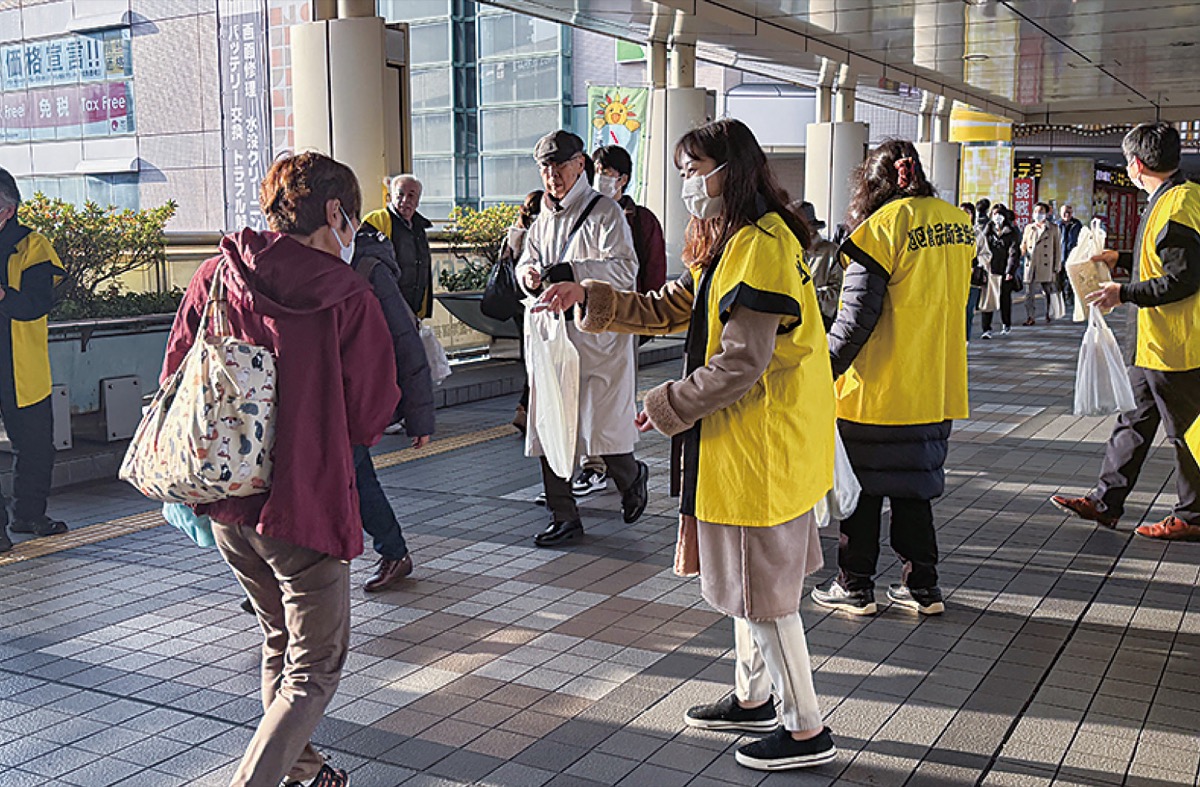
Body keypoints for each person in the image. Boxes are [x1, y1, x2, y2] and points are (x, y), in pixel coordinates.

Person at [538, 117, 837, 772]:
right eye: (681, 171)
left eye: (694, 170)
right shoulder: (738, 241)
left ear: (732, 170)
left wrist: (665, 404)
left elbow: (741, 362)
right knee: (749, 587)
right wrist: (588, 295)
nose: (686, 184)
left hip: (760, 446)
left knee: (766, 597)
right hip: (752, 444)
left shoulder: (758, 246)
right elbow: (674, 305)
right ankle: (754, 697)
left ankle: (805, 728)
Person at [161, 152, 399, 787]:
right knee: (314, 670)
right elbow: (371, 410)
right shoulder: (345, 294)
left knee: (279, 642)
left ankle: (304, 772)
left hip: (227, 503)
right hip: (305, 503)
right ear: (334, 212)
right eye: (353, 220)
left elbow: (175, 372)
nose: (354, 233)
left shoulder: (216, 274)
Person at [812, 141, 971, 617]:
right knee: (913, 491)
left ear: (871, 183)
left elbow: (854, 320)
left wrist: (820, 371)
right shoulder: (958, 224)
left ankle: (854, 585)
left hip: (877, 389)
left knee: (862, 494)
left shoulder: (878, 230)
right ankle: (922, 587)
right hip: (935, 384)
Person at [1052, 122, 1200, 542]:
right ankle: (1106, 502)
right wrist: (1124, 258)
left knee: (1187, 433)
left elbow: (1184, 278)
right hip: (1154, 344)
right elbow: (1168, 257)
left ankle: (1193, 515)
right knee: (1132, 422)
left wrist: (1124, 292)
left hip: (1175, 345)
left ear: (1136, 164)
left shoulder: (1175, 205)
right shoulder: (1179, 197)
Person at [517, 130, 648, 547]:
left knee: (602, 427)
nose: (552, 175)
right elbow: (527, 260)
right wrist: (528, 275)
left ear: (579, 165)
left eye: (560, 165)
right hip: (552, 336)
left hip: (597, 340)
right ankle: (564, 515)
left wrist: (574, 273)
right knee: (550, 425)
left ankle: (631, 477)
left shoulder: (605, 212)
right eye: (545, 167)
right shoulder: (541, 217)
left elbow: (625, 271)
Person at [570, 145, 668, 497]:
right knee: (585, 394)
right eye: (596, 171)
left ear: (623, 178)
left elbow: (652, 271)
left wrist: (645, 319)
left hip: (624, 319)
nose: (601, 177)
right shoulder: (582, 211)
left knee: (614, 397)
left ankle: (615, 464)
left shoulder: (640, 219)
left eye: (607, 172)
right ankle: (593, 464)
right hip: (584, 320)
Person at [350, 225, 435, 592]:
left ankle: (393, 551)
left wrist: (419, 416)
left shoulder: (368, 268)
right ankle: (394, 552)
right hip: (323, 397)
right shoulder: (309, 262)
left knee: (354, 476)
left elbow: (405, 339)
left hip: (350, 399)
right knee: (357, 477)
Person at [0, 168, 67, 554]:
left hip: (20, 365)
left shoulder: (32, 246)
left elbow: (38, 303)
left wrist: (3, 296)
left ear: (7, 210)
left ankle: (29, 514)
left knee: (36, 446)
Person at [363, 174, 434, 320]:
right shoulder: (376, 221)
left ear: (418, 201)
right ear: (391, 197)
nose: (405, 200)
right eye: (400, 194)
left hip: (413, 310)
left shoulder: (419, 228)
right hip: (385, 310)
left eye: (411, 195)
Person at [503, 190, 543, 436]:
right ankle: (526, 409)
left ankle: (524, 410)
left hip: (518, 304)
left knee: (529, 360)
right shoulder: (541, 230)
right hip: (537, 303)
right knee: (538, 361)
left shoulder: (515, 231)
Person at [794, 201, 841, 331]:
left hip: (817, 325)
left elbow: (837, 295)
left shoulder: (832, 252)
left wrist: (805, 294)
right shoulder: (789, 250)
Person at [979, 203, 1021, 339]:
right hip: (990, 270)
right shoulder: (987, 231)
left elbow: (1014, 252)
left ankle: (1006, 324)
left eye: (1000, 214)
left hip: (1004, 270)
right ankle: (986, 329)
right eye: (995, 214)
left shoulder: (1012, 231)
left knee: (1005, 299)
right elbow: (982, 248)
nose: (997, 217)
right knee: (988, 300)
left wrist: (1010, 271)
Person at [1020, 201, 1063, 325]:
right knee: (1029, 293)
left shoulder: (1053, 228)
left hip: (1046, 264)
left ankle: (1049, 313)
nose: (1038, 214)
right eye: (1036, 211)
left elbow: (1057, 248)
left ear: (1046, 213)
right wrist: (1022, 250)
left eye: (1041, 211)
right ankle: (1030, 316)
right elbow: (1023, 243)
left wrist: (1057, 266)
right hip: (1031, 263)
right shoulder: (1029, 228)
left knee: (1047, 291)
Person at [962, 201, 990, 342]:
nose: (963, 215)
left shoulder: (977, 234)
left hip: (972, 278)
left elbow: (986, 254)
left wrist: (977, 264)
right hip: (955, 278)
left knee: (968, 310)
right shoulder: (952, 232)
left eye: (967, 212)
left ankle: (965, 338)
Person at [1058, 203, 1084, 309]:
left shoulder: (1077, 224)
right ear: (1060, 213)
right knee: (1059, 279)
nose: (1067, 215)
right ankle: (1061, 299)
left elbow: (1082, 240)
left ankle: (1070, 297)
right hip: (1059, 256)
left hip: (1073, 256)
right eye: (1065, 212)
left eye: (1069, 212)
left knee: (1071, 278)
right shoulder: (1056, 225)